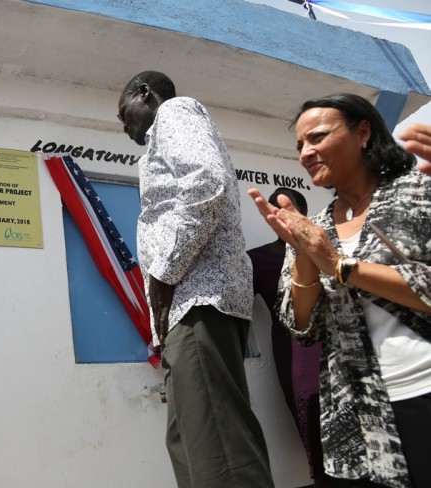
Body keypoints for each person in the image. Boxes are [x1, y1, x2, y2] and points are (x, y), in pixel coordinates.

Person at [248, 93, 431, 488]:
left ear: (363, 132)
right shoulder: (316, 227)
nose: (306, 152)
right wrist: (303, 253)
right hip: (355, 411)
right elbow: (303, 327)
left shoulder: (417, 194)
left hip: (423, 389)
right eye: (299, 145)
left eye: (316, 137)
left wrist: (340, 265)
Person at [118, 70, 273, 487]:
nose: (124, 125)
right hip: (184, 312)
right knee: (188, 444)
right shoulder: (157, 143)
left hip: (198, 300)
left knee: (218, 448)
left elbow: (208, 182)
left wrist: (165, 272)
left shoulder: (175, 111)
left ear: (144, 94)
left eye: (124, 113)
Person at [247, 188, 330, 487]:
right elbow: (231, 301)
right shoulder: (257, 260)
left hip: (337, 351)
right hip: (295, 358)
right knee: (314, 433)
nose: (282, 216)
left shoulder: (327, 250)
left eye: (290, 209)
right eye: (275, 210)